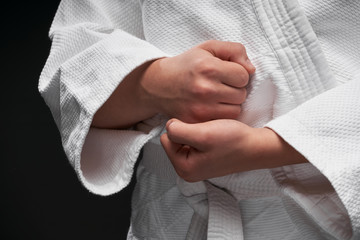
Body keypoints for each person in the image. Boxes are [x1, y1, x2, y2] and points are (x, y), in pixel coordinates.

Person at [39, 0, 360, 239]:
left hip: (337, 209)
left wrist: (268, 147)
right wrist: (153, 84)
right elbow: (74, 57)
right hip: (175, 219)